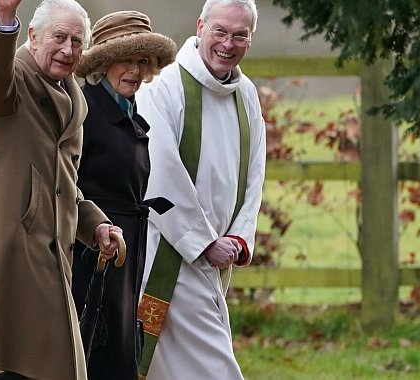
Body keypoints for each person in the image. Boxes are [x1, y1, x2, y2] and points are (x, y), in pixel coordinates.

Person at [0, 0, 123, 379]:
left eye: (77, 40)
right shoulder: (12, 81)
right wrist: (4, 19)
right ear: (33, 37)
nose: (68, 49)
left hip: (54, 258)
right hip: (13, 258)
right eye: (59, 37)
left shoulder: (72, 98)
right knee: (10, 364)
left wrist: (96, 226)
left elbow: (63, 185)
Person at [134, 0, 266, 379]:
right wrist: (205, 242)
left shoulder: (247, 95)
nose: (228, 43)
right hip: (170, 257)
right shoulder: (164, 86)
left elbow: (255, 173)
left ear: (250, 39)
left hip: (216, 260)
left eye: (240, 35)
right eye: (220, 31)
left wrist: (239, 239)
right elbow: (157, 172)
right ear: (200, 27)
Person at [68, 10, 176, 380]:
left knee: (121, 351)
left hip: (127, 249)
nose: (134, 70)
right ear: (104, 63)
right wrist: (95, 230)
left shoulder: (129, 109)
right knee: (98, 351)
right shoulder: (86, 109)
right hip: (94, 251)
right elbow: (68, 179)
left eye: (141, 61)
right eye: (124, 60)